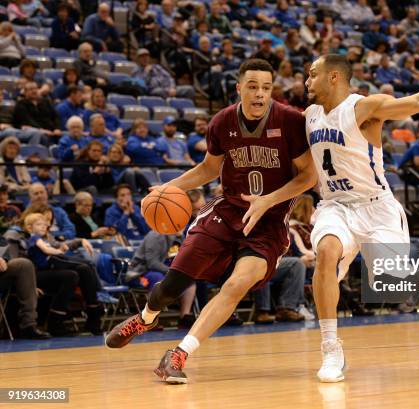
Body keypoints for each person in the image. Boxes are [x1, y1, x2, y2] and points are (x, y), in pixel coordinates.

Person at [104, 59, 316, 385]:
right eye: (252, 86)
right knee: (172, 286)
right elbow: (207, 170)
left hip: (269, 224)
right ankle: (146, 319)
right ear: (239, 88)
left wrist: (268, 200)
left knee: (236, 285)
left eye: (266, 87)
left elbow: (309, 176)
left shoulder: (290, 121)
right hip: (225, 213)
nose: (260, 94)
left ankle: (178, 353)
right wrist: (169, 188)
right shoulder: (222, 122)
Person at [299, 54, 419, 382]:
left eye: (313, 74)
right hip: (335, 205)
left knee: (391, 286)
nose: (307, 81)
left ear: (334, 77)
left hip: (376, 208)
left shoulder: (364, 108)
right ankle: (330, 347)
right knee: (325, 252)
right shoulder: (308, 116)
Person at [128, 230, 196, 328]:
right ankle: (149, 320)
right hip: (139, 274)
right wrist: (173, 271)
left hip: (163, 272)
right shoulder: (155, 236)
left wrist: (181, 238)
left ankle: (184, 317)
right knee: (157, 278)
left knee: (188, 280)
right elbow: (152, 263)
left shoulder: (179, 236)